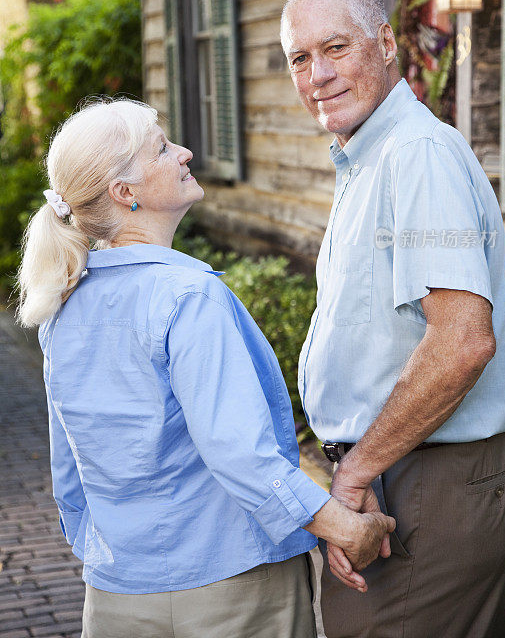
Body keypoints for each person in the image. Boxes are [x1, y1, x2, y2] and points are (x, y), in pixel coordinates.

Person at [17, 98, 394, 638]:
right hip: (231, 592)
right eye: (163, 148)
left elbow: (69, 471)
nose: (185, 152)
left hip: (115, 593)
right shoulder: (188, 297)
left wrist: (110, 552)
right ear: (126, 193)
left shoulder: (62, 306)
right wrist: (343, 528)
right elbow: (242, 455)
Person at [280, 0, 505, 638]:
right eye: (299, 58)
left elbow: (460, 343)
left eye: (335, 48)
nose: (318, 74)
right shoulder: (370, 156)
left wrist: (355, 471)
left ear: (385, 43)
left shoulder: (414, 155)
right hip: (408, 468)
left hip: (423, 478)